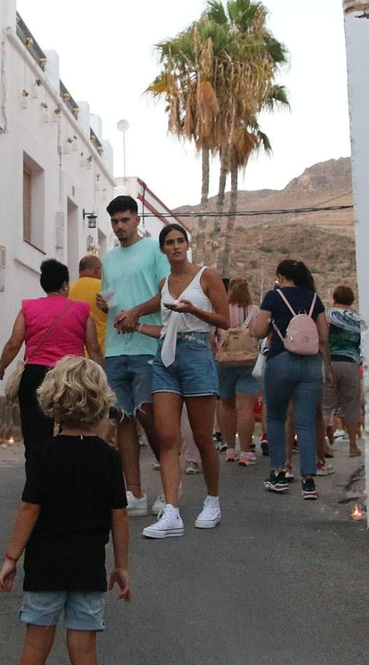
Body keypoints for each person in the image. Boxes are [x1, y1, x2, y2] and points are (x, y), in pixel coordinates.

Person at [0, 357, 131, 665]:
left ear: (51, 400)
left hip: (45, 567)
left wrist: (11, 558)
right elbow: (119, 515)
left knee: (36, 644)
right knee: (84, 647)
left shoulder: (43, 454)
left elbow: (29, 509)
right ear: (101, 401)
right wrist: (121, 565)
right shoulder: (109, 458)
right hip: (88, 567)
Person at [134, 223, 229, 538]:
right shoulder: (165, 283)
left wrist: (194, 310)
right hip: (166, 357)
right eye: (169, 242)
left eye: (179, 241)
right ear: (163, 249)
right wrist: (133, 316)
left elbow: (225, 320)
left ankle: (212, 500)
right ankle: (171, 510)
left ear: (187, 245)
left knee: (202, 437)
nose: (175, 246)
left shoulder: (207, 276)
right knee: (167, 437)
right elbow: (156, 309)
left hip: (198, 353)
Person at [96, 195, 169, 516]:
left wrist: (137, 312)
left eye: (125, 220)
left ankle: (169, 486)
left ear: (137, 220)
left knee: (148, 416)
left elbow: (167, 293)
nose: (119, 226)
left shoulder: (154, 250)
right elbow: (112, 299)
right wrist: (104, 303)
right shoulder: (109, 259)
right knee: (123, 418)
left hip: (147, 346)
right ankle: (134, 492)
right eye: (114, 221)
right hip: (115, 349)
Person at [0, 258, 98, 461]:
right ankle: (67, 473)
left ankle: (36, 474)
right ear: (65, 285)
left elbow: (14, 343)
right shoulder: (81, 310)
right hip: (71, 376)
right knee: (73, 430)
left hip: (35, 375)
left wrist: (0, 369)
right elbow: (93, 347)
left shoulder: (28, 308)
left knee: (35, 435)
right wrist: (100, 377)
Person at [249, 258, 333, 500]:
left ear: (280, 276)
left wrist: (257, 327)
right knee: (305, 422)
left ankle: (279, 474)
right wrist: (326, 366)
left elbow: (260, 331)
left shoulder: (273, 297)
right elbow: (324, 335)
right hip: (311, 363)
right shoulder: (314, 299)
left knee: (276, 417)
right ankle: (309, 481)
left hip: (281, 361)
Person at [214, 276, 261, 466]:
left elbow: (212, 335)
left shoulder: (221, 311)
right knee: (245, 408)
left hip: (224, 362)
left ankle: (230, 449)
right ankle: (245, 451)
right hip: (249, 362)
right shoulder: (255, 311)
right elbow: (260, 334)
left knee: (226, 404)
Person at [326, 284, 366, 458]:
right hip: (351, 363)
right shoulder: (357, 318)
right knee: (351, 405)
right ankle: (353, 445)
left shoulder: (327, 314)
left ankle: (322, 445)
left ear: (335, 298)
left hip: (329, 362)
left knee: (325, 406)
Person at [68, 254, 104, 361]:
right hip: (101, 351)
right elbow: (117, 313)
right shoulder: (105, 287)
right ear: (97, 270)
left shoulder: (68, 291)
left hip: (75, 354)